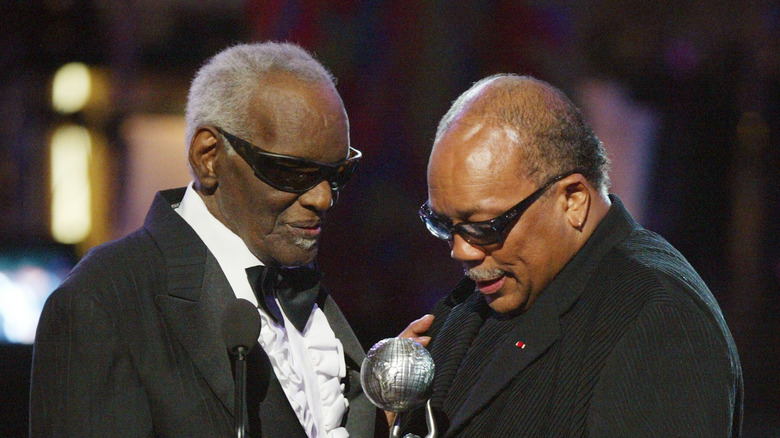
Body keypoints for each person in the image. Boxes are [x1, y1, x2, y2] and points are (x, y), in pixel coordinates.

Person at [30, 42, 380, 438]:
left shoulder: (304, 295)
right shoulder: (102, 302)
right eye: (292, 172)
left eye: (338, 174)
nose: (322, 198)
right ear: (208, 156)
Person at [398, 74, 743, 437]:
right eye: (442, 224)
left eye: (485, 226)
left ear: (573, 200)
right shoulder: (475, 304)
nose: (460, 250)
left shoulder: (659, 317)